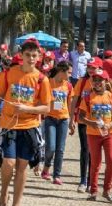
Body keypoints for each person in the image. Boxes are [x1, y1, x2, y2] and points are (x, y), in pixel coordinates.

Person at [0, 39, 52, 206]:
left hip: (29, 127)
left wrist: (27, 109)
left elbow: (46, 108)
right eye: (27, 55)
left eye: (34, 55)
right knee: (8, 162)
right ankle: (3, 193)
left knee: (22, 167)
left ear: (39, 57)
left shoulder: (42, 79)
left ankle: (16, 203)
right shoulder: (8, 74)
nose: (30, 58)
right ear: (21, 55)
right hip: (9, 126)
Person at [69, 57, 102, 193]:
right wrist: (71, 119)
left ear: (99, 69)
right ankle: (83, 181)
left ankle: (91, 181)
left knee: (94, 153)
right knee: (85, 150)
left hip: (99, 123)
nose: (90, 70)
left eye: (93, 67)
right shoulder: (82, 82)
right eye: (89, 67)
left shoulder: (105, 83)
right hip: (83, 121)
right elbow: (74, 99)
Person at [78, 69, 112, 202]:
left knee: (110, 161)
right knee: (95, 164)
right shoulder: (88, 97)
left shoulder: (110, 96)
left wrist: (110, 125)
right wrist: (90, 123)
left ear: (106, 81)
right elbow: (80, 116)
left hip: (109, 134)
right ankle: (93, 191)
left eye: (100, 80)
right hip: (93, 134)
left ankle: (107, 190)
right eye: (95, 80)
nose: (97, 82)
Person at [41, 61, 74, 185]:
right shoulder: (48, 83)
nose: (70, 75)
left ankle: (57, 175)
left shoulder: (69, 85)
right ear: (61, 71)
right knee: (51, 147)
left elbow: (70, 104)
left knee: (60, 149)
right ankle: (46, 168)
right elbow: (42, 100)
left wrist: (72, 120)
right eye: (69, 72)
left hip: (64, 119)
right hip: (50, 118)